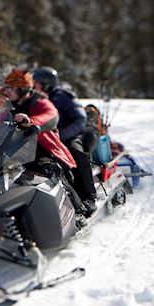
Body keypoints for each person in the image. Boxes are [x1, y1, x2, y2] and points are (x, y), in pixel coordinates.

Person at [32, 66, 98, 216]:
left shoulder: (63, 96)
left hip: (71, 135)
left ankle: (89, 196)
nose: (33, 86)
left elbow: (80, 119)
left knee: (75, 151)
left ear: (45, 83)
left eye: (35, 83)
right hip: (48, 138)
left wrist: (60, 136)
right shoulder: (36, 99)